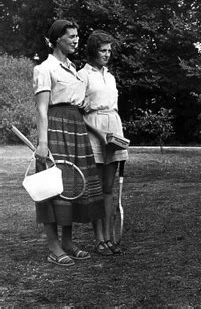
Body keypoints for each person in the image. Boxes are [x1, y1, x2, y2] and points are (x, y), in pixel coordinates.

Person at [33, 19, 105, 267]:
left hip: (76, 129)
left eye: (76, 36)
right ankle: (53, 247)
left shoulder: (73, 68)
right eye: (70, 36)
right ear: (56, 40)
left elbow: (74, 98)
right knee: (52, 188)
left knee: (73, 185)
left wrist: (82, 103)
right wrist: (43, 144)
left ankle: (68, 242)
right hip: (55, 129)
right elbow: (43, 109)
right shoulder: (45, 69)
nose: (75, 40)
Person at [78, 30, 129, 255]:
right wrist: (98, 133)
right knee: (96, 190)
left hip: (113, 128)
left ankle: (109, 237)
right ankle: (98, 239)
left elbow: (113, 107)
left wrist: (116, 135)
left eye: (109, 50)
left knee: (108, 188)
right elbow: (78, 111)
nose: (107, 54)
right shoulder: (82, 75)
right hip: (94, 130)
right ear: (92, 51)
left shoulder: (110, 76)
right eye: (102, 50)